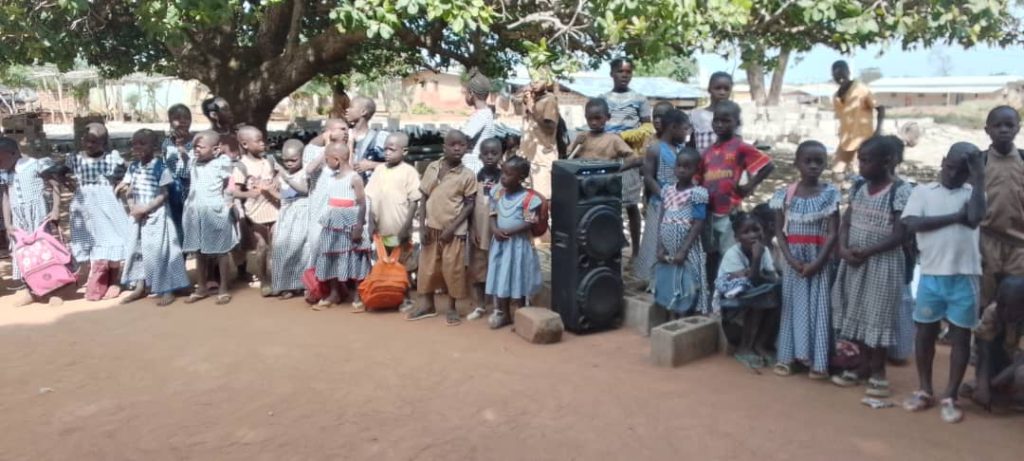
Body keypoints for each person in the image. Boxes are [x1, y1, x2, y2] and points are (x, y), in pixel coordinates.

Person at [900, 142, 986, 423]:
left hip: (965, 275)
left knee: (961, 336)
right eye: (949, 167)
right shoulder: (923, 192)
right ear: (942, 161)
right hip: (931, 274)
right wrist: (955, 217)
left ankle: (950, 394)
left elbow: (974, 219)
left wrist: (979, 178)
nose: (952, 174)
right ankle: (925, 388)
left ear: (969, 173)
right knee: (925, 332)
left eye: (961, 171)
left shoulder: (974, 193)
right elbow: (912, 224)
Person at [831, 136, 913, 398]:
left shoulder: (900, 191)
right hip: (854, 263)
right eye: (860, 160)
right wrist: (843, 249)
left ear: (886, 162)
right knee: (855, 312)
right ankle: (861, 366)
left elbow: (900, 234)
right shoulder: (858, 187)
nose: (861, 166)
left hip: (882, 264)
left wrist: (868, 251)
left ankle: (878, 372)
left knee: (877, 316)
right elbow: (847, 221)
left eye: (866, 161)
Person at [771, 141, 840, 379]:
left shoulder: (830, 194)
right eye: (807, 161)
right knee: (793, 306)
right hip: (794, 261)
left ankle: (817, 361)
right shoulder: (784, 194)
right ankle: (789, 356)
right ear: (796, 164)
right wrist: (790, 259)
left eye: (818, 161)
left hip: (819, 259)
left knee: (818, 307)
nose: (813, 166)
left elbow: (833, 232)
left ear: (825, 164)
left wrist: (818, 263)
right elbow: (779, 231)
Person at [406, 130, 478, 326]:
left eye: (461, 145)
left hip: (454, 232)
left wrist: (452, 228)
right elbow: (424, 196)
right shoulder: (432, 167)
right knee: (427, 269)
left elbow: (469, 205)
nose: (457, 148)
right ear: (444, 147)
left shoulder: (467, 175)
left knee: (453, 269)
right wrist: (422, 227)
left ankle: (452, 308)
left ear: (467, 148)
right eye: (452, 145)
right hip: (432, 228)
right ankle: (427, 305)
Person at [116, 129, 190, 306]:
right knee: (138, 249)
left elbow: (164, 194)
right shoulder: (133, 167)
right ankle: (140, 286)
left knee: (161, 251)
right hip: (138, 216)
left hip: (157, 215)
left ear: (154, 146)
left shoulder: (160, 167)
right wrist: (133, 206)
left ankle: (168, 289)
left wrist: (146, 208)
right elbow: (128, 189)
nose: (137, 147)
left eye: (142, 143)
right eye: (134, 144)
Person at [699, 101, 775, 269]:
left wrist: (749, 186)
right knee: (710, 252)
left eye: (726, 121)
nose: (720, 125)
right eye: (716, 120)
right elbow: (699, 178)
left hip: (729, 211)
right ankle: (711, 284)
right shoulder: (708, 152)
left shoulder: (740, 147)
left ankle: (730, 281)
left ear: (737, 123)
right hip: (708, 211)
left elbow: (768, 165)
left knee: (728, 252)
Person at [64, 123, 132, 301]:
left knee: (113, 240)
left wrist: (124, 183)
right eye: (87, 140)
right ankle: (99, 279)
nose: (90, 145)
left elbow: (131, 170)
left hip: (108, 205)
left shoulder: (111, 158)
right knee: (94, 242)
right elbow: (57, 172)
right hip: (84, 208)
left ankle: (115, 280)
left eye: (95, 142)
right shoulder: (75, 158)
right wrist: (65, 182)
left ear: (104, 142)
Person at [0, 137, 63, 306]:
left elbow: (55, 185)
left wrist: (55, 209)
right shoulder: (5, 173)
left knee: (43, 252)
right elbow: (5, 197)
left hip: (37, 215)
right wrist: (8, 223)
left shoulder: (35, 164)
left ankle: (52, 291)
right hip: (18, 219)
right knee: (23, 254)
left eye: (0, 158)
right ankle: (31, 291)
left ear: (13, 153)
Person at [310, 142, 371, 311]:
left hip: (350, 223)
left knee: (354, 257)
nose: (326, 162)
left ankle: (358, 295)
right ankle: (334, 293)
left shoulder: (354, 178)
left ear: (336, 159)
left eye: (327, 159)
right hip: (333, 223)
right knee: (331, 255)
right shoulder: (332, 178)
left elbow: (362, 203)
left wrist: (359, 225)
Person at [485, 156, 544, 329]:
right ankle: (504, 314)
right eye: (502, 172)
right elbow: (492, 214)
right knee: (502, 276)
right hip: (501, 245)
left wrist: (510, 231)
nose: (503, 177)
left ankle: (521, 315)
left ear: (521, 177)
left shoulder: (529, 199)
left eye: (509, 174)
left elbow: (529, 222)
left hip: (518, 246)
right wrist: (495, 229)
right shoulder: (498, 192)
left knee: (519, 276)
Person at [365, 132, 421, 312]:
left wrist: (406, 227)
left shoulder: (409, 172)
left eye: (392, 149)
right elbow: (369, 197)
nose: (387, 153)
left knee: (402, 266)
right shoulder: (379, 170)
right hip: (381, 230)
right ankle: (386, 295)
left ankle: (406, 298)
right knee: (384, 263)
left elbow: (414, 201)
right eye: (385, 149)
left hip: (399, 229)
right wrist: (370, 223)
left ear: (404, 151)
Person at [715, 212, 778, 368]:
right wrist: (756, 259)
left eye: (756, 229)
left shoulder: (764, 250)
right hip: (730, 303)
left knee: (777, 295)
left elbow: (772, 278)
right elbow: (750, 282)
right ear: (737, 237)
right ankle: (744, 347)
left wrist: (756, 272)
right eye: (746, 232)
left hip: (755, 294)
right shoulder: (733, 254)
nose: (752, 235)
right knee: (757, 299)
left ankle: (760, 344)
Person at [182, 131, 238, 305]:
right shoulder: (193, 160)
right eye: (195, 146)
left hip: (215, 211)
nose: (196, 149)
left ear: (215, 149)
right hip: (195, 211)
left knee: (221, 251)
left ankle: (223, 288)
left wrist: (228, 202)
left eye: (201, 146)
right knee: (199, 251)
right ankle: (202, 287)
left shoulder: (221, 163)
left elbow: (229, 183)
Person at [601, 57, 649, 259]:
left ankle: (636, 252)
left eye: (628, 72)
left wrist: (627, 136)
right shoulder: (603, 99)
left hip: (630, 158)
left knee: (631, 205)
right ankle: (612, 250)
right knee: (609, 204)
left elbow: (648, 127)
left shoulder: (639, 99)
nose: (624, 75)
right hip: (608, 157)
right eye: (620, 71)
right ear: (612, 73)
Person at [635, 108, 690, 283]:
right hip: (660, 203)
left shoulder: (682, 149)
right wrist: (663, 194)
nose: (686, 133)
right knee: (655, 239)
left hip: (680, 202)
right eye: (684, 129)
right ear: (673, 127)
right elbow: (648, 177)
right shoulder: (656, 149)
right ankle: (650, 278)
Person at [654, 148, 709, 317]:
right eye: (679, 166)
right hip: (668, 248)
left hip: (688, 250)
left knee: (690, 280)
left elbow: (698, 222)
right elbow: (662, 219)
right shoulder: (667, 190)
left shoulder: (697, 193)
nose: (682, 170)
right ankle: (673, 313)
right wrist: (660, 246)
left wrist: (684, 250)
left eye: (687, 167)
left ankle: (689, 316)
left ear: (695, 170)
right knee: (671, 279)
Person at [980, 105, 1024, 307]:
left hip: (1020, 244)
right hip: (987, 240)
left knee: (1015, 300)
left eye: (1009, 125)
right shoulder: (980, 161)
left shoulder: (1022, 160)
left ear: (1018, 128)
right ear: (987, 130)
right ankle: (984, 327)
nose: (1004, 130)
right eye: (997, 125)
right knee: (985, 298)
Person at [232, 125, 279, 296]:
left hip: (274, 208)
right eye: (258, 141)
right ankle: (264, 279)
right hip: (255, 213)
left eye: (262, 140)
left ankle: (275, 278)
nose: (262, 143)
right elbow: (234, 191)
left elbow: (279, 174)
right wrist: (249, 193)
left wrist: (276, 182)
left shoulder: (269, 161)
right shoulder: (241, 166)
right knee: (262, 246)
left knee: (275, 245)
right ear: (245, 144)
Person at [969, 276, 1024, 412]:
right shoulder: (992, 311)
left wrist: (996, 381)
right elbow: (984, 350)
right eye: (1003, 305)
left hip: (1017, 362)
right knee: (976, 356)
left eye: (1013, 307)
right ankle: (997, 389)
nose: (1006, 312)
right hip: (1004, 358)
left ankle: (1008, 392)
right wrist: (983, 384)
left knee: (1021, 374)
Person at [270, 139, 311, 299]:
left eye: (293, 160)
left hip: (301, 215)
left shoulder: (305, 172)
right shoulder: (281, 175)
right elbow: (283, 196)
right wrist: (268, 190)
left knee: (297, 249)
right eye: (286, 160)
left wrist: (286, 177)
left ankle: (296, 285)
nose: (289, 163)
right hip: (285, 215)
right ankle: (281, 284)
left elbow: (304, 190)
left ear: (302, 157)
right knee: (280, 249)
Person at [467, 138, 503, 321]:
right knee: (478, 270)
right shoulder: (474, 179)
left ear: (501, 155)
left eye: (494, 153)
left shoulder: (505, 179)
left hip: (498, 234)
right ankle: (480, 305)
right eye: (486, 153)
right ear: (480, 156)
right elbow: (469, 207)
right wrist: (472, 230)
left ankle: (498, 307)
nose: (490, 157)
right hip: (479, 233)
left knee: (498, 269)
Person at [831, 60, 884, 180]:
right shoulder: (836, 97)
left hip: (863, 140)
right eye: (836, 75)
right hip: (845, 140)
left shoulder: (861, 89)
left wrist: (878, 131)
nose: (840, 78)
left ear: (848, 72)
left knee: (860, 173)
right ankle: (841, 191)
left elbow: (880, 109)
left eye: (842, 73)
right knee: (837, 172)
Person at [520, 79, 562, 199]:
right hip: (528, 158)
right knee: (528, 200)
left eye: (539, 80)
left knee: (542, 198)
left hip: (542, 159)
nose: (535, 83)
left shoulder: (550, 100)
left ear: (547, 80)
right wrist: (526, 100)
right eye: (533, 80)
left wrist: (532, 109)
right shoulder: (531, 98)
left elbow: (550, 128)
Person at [163, 103, 193, 240]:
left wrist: (182, 148)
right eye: (177, 118)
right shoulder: (167, 142)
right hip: (175, 186)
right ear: (170, 121)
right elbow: (167, 165)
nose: (182, 121)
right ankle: (181, 244)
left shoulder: (196, 140)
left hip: (193, 183)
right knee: (178, 217)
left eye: (186, 117)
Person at [690, 72, 736, 153]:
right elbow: (690, 142)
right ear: (709, 89)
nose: (722, 92)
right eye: (718, 88)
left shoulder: (735, 116)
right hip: (703, 160)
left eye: (726, 89)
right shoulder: (695, 115)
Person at [460, 69, 496, 173]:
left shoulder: (481, 115)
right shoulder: (486, 112)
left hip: (473, 166)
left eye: (465, 92)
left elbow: (463, 138)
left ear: (471, 93)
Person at [347, 96, 389, 182]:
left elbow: (398, 166)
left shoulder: (379, 138)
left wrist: (372, 165)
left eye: (351, 107)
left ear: (363, 112)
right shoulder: (344, 134)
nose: (347, 110)